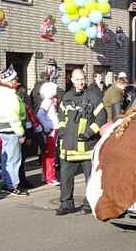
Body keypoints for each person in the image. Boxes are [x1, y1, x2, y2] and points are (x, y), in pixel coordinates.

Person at [56, 69, 107, 215]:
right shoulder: (66, 97)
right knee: (65, 178)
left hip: (86, 147)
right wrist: (61, 131)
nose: (81, 81)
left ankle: (89, 204)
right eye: (77, 79)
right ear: (71, 80)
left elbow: (101, 118)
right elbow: (60, 116)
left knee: (90, 179)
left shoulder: (93, 97)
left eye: (83, 78)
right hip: (68, 147)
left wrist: (89, 133)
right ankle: (66, 204)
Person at [0, 65, 28, 197]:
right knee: (14, 159)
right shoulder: (10, 95)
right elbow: (14, 116)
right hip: (11, 129)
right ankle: (13, 185)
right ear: (9, 81)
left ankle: (7, 183)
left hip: (1, 128)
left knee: (6, 158)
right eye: (14, 80)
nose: (15, 82)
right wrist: (21, 133)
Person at [36, 81, 59, 186]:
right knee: (50, 154)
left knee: (49, 154)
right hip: (51, 131)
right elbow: (40, 115)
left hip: (52, 130)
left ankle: (46, 175)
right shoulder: (47, 101)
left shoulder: (49, 101)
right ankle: (50, 177)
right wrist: (48, 126)